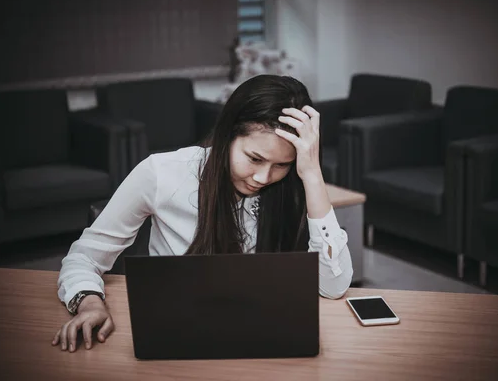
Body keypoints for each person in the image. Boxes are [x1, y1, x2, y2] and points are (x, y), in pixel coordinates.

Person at [52, 74, 353, 353]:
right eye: (254, 158)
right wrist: (89, 303)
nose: (262, 177)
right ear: (227, 136)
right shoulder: (162, 173)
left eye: (280, 165)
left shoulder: (296, 182)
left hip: (264, 339)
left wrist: (312, 175)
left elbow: (333, 286)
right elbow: (84, 258)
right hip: (179, 333)